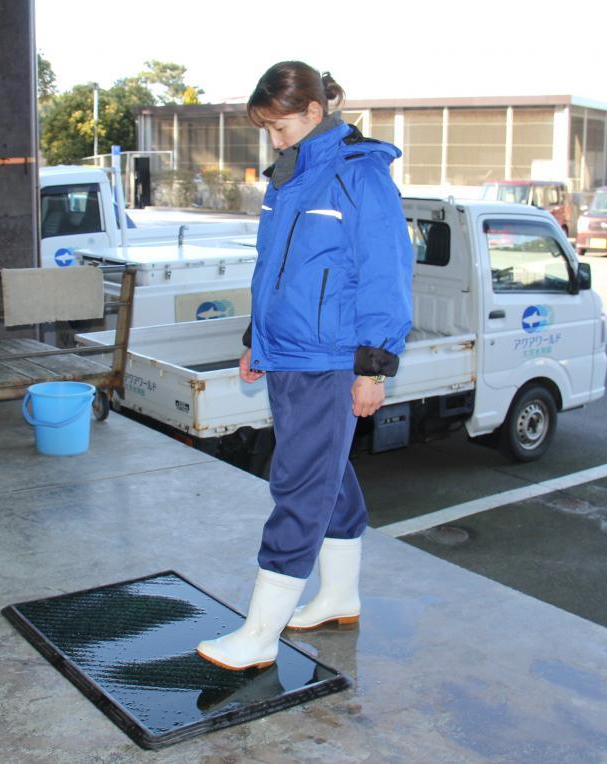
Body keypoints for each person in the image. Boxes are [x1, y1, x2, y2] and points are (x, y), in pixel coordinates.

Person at [196, 61, 413, 671]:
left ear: (315, 113)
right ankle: (340, 595)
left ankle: (260, 634)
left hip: (331, 359)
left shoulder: (360, 176)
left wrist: (373, 367)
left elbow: (386, 276)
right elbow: (275, 269)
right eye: (265, 128)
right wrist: (253, 337)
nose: (273, 138)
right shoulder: (290, 177)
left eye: (280, 126)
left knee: (297, 483)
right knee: (326, 472)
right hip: (288, 351)